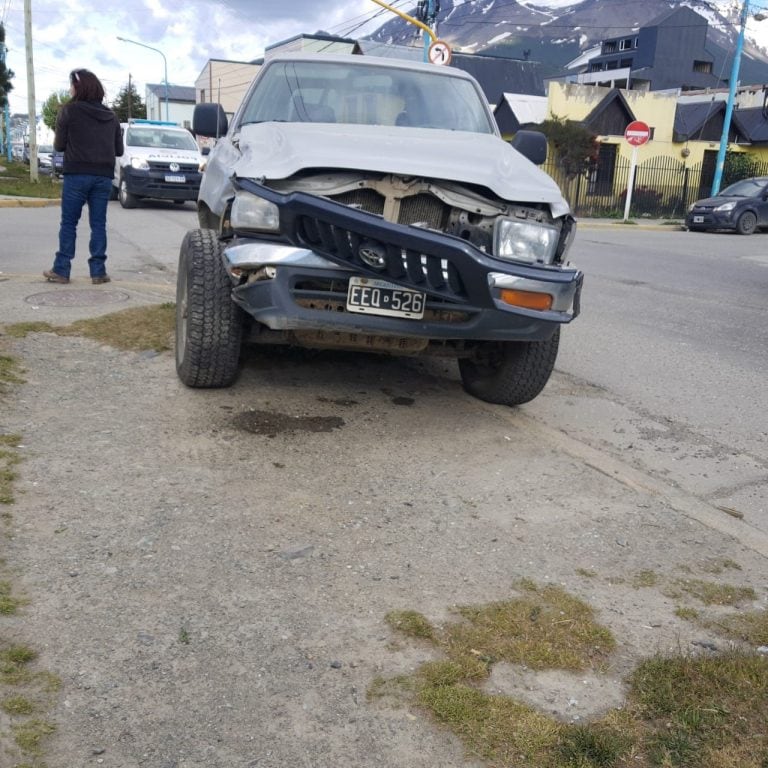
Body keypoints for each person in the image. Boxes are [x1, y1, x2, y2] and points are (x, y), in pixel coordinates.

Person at [43, 68, 124, 285]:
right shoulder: (111, 116)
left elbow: (59, 146)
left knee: (69, 223)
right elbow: (119, 150)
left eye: (71, 85)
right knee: (98, 224)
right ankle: (98, 271)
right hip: (103, 178)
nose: (69, 89)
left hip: (76, 174)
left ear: (78, 87)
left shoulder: (68, 111)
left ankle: (61, 270)